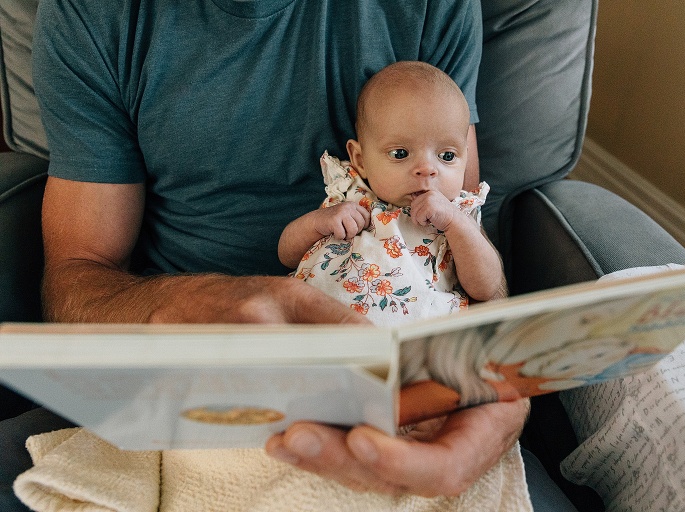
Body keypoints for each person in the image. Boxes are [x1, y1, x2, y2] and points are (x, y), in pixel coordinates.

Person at [0, 0, 576, 509]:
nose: (425, 167)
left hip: (415, 387)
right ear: (356, 153)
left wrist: (498, 395)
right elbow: (78, 273)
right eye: (402, 153)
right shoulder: (94, 15)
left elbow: (465, 263)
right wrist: (181, 307)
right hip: (197, 385)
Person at [279, 61, 506, 327]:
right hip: (321, 331)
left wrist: (455, 224)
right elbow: (287, 255)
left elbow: (485, 288)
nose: (427, 170)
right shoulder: (350, 193)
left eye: (447, 156)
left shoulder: (457, 215)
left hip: (417, 340)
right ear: (360, 159)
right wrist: (319, 222)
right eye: (400, 154)